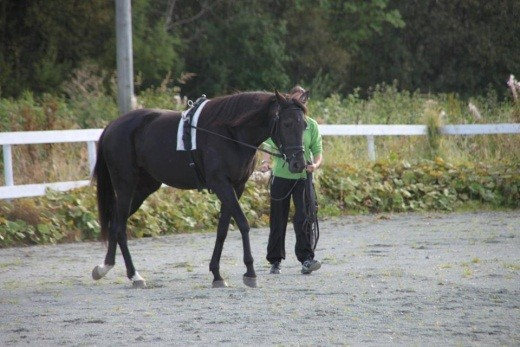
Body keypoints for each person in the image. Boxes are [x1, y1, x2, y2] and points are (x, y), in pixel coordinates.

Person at [260, 86, 323, 275]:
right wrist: (265, 162)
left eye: (302, 100)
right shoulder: (282, 122)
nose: (299, 103)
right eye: (295, 100)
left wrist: (316, 165)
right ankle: (275, 260)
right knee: (278, 219)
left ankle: (306, 259)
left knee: (304, 218)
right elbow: (267, 145)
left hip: (303, 177)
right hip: (281, 176)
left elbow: (318, 151)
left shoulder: (311, 125)